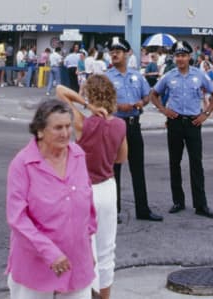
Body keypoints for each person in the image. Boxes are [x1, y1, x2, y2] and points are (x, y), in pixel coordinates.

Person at [6, 99, 97, 299]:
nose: (65, 134)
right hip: (35, 265)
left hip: (76, 262)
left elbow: (87, 205)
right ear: (40, 130)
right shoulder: (22, 164)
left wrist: (90, 249)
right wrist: (50, 252)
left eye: (68, 126)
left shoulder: (78, 155)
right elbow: (17, 219)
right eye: (57, 128)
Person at [57, 75, 127, 299]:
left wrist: (86, 105)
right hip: (108, 188)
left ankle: (86, 294)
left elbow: (60, 90)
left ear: (90, 95)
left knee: (85, 251)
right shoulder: (120, 125)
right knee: (107, 251)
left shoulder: (82, 122)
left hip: (85, 188)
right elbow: (121, 158)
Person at [150, 42, 213, 218]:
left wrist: (206, 113)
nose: (180, 59)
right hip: (174, 122)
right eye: (178, 56)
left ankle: (201, 204)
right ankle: (178, 201)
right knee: (174, 162)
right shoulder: (169, 76)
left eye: (183, 55)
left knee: (196, 163)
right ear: (175, 58)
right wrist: (163, 109)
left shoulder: (199, 75)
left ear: (190, 57)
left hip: (193, 123)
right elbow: (153, 94)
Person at [104, 37, 162, 222]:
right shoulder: (106, 78)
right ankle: (114, 211)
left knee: (138, 169)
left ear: (127, 54)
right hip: (115, 126)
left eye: (118, 51)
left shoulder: (137, 76)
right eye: (112, 52)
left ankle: (143, 209)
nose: (114, 54)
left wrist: (141, 102)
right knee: (114, 170)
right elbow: (99, 103)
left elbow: (147, 95)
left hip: (134, 126)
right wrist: (118, 107)